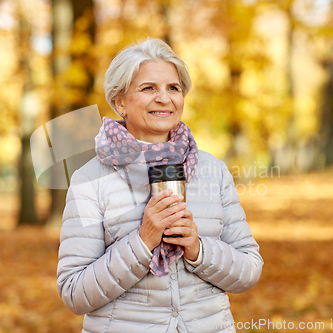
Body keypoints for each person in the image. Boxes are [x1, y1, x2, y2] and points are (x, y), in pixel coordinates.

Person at [57, 37, 263, 333]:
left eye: (173, 88)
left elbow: (249, 270)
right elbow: (74, 292)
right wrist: (142, 241)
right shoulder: (89, 180)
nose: (164, 98)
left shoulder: (213, 171)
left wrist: (197, 248)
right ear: (120, 102)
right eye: (148, 88)